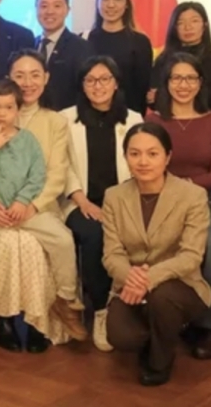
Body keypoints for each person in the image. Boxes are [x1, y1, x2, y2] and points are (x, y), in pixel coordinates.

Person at [0, 78, 87, 355]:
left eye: (8, 107)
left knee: (63, 240)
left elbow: (38, 176)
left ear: (18, 110)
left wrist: (23, 202)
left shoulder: (29, 140)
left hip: (25, 209)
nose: (2, 114)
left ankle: (66, 300)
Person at [102, 123, 211, 387]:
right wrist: (131, 276)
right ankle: (163, 331)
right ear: (126, 156)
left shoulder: (193, 196)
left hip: (180, 286)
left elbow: (191, 256)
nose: (143, 161)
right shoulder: (114, 196)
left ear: (168, 157)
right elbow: (112, 254)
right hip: (131, 285)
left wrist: (147, 278)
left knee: (163, 298)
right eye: (134, 153)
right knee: (121, 337)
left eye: (153, 154)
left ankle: (160, 360)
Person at [144, 53, 211, 359]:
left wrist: (187, 190)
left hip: (203, 198)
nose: (183, 85)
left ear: (200, 83)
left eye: (190, 78)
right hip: (159, 199)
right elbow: (147, 164)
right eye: (176, 78)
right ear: (166, 83)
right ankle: (163, 319)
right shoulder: (153, 120)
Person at [60, 55, 143, 351]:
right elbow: (62, 165)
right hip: (79, 201)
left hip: (124, 201)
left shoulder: (133, 119)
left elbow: (138, 165)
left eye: (105, 78)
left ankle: (135, 303)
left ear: (116, 82)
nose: (98, 86)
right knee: (95, 234)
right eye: (91, 80)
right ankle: (101, 311)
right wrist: (80, 199)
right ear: (82, 85)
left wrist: (118, 206)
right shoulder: (66, 119)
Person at [86, 0, 153, 115]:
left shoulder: (140, 42)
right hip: (88, 117)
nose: (111, 5)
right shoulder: (84, 39)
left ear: (127, 3)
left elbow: (142, 90)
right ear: (98, 3)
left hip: (127, 119)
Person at [149, 2, 211, 110]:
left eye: (194, 21)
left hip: (204, 119)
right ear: (174, 28)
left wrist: (166, 96)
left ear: (205, 25)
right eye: (180, 23)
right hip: (167, 119)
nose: (188, 27)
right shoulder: (163, 60)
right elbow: (151, 98)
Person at [34, 0, 91, 111]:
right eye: (44, 6)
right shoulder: (30, 44)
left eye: (57, 6)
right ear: (36, 9)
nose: (49, 11)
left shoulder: (81, 47)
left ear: (67, 10)